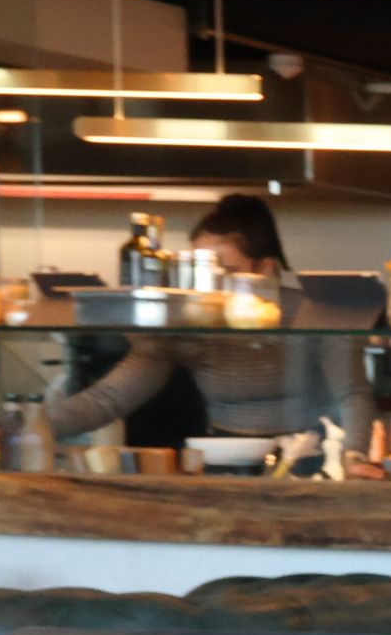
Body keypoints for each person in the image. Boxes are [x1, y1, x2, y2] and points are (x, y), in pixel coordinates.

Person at [43, 192, 370, 453]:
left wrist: (354, 458)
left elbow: (352, 395)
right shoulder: (191, 325)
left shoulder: (315, 313)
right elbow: (107, 399)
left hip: (307, 457)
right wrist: (31, 428)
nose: (208, 286)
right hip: (221, 456)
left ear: (265, 270)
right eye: (201, 271)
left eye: (222, 271)